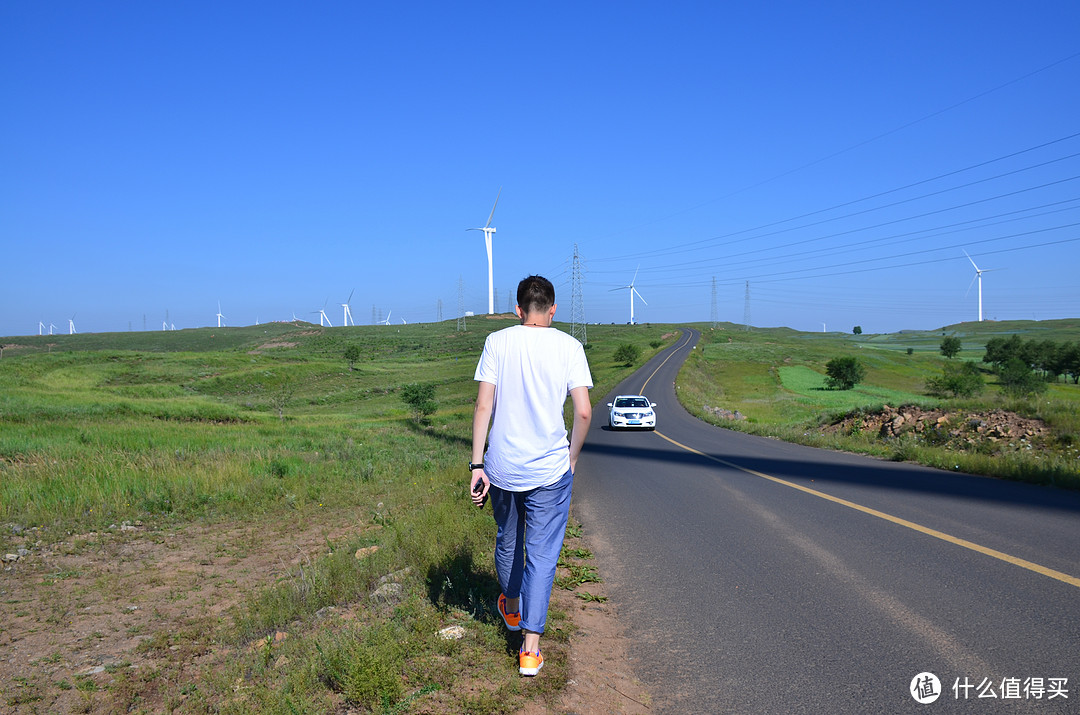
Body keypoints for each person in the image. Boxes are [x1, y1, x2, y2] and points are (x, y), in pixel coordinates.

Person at [470, 275, 593, 676]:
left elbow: (483, 407)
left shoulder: (497, 341)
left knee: (508, 540)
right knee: (542, 556)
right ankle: (530, 649)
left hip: (503, 466)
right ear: (553, 309)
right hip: (549, 468)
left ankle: (510, 603)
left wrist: (477, 465)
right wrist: (571, 458)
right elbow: (585, 411)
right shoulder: (570, 347)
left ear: (518, 310)